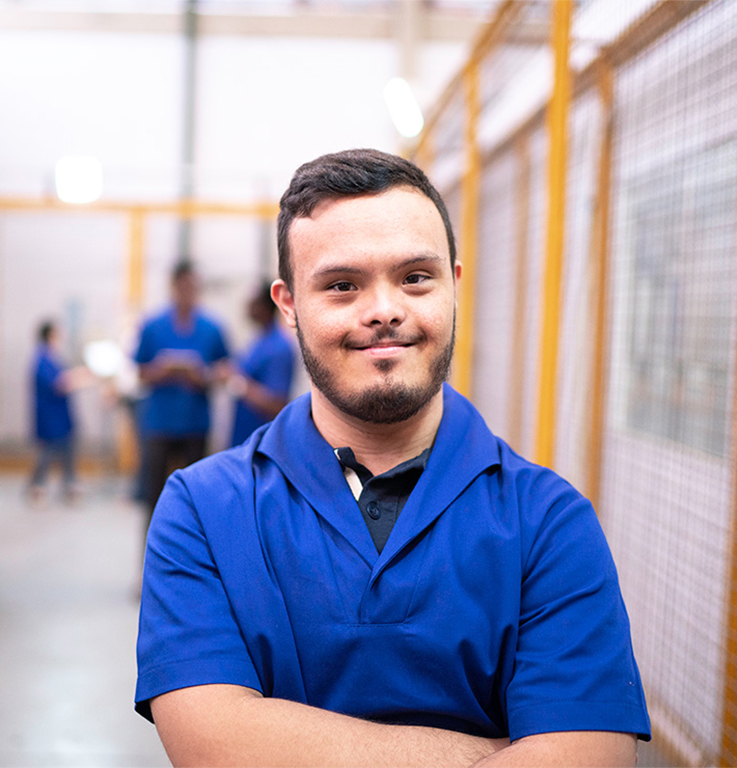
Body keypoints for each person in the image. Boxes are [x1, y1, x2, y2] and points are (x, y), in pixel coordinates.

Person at [136, 149, 651, 766]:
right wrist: (491, 753)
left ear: (454, 286)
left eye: (414, 277)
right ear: (289, 305)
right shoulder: (201, 509)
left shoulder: (550, 522)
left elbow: (591, 757)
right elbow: (213, 746)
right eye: (342, 285)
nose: (383, 309)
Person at [133, 259, 229, 535]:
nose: (188, 291)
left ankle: (194, 570)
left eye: (193, 286)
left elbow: (225, 370)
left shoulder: (211, 328)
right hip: (159, 425)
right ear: (173, 287)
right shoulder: (153, 326)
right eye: (183, 286)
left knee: (196, 501)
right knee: (154, 498)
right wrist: (160, 371)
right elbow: (139, 371)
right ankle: (149, 568)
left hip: (195, 425)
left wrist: (203, 376)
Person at [29, 320, 91, 503]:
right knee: (48, 451)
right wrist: (78, 378)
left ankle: (69, 485)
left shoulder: (52, 357)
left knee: (67, 450)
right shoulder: (41, 358)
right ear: (50, 335)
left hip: (60, 416)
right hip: (50, 416)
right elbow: (57, 383)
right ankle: (37, 486)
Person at [229, 282, 296, 447]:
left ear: (265, 306)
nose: (248, 306)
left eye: (254, 302)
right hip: (243, 437)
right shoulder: (258, 340)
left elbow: (276, 404)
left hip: (262, 442)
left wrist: (238, 383)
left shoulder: (279, 347)